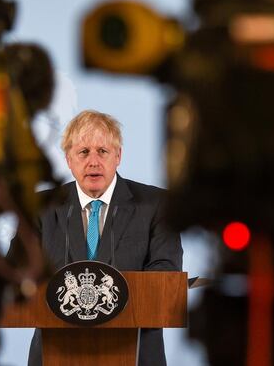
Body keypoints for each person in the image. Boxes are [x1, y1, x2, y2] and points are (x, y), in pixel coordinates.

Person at [27, 109, 183, 366]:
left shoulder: (156, 205)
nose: (93, 161)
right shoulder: (42, 207)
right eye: (84, 152)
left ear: (118, 156)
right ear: (68, 159)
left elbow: (166, 275)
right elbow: (18, 270)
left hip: (136, 353)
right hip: (55, 354)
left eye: (103, 151)